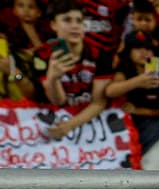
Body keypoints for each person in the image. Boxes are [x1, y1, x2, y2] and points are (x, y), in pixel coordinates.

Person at [33, 0, 113, 139]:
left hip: (91, 122)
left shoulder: (101, 55)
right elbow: (58, 101)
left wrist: (69, 125)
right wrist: (53, 78)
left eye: (79, 21)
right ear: (53, 25)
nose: (75, 26)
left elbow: (99, 103)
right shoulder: (41, 55)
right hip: (55, 119)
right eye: (67, 20)